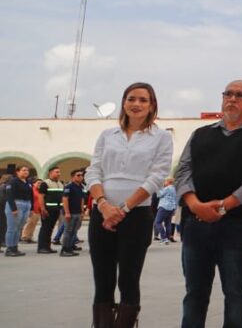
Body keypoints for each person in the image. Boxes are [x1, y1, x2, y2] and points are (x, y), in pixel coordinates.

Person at [174, 80, 242, 328]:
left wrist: (224, 206)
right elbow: (183, 170)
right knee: (195, 294)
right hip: (196, 225)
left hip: (235, 226)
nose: (232, 99)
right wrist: (194, 203)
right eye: (228, 94)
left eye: (240, 95)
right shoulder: (200, 134)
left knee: (235, 293)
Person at [84, 82, 174, 327]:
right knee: (102, 280)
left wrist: (122, 209)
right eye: (131, 98)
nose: (136, 104)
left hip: (136, 215)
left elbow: (156, 177)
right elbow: (93, 171)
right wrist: (103, 205)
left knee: (128, 280)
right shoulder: (107, 135)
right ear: (123, 102)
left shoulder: (162, 137)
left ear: (152, 105)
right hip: (101, 213)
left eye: (143, 100)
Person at [4, 166, 34, 256]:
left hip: (26, 204)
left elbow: (31, 196)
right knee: (12, 228)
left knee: (18, 228)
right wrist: (13, 208)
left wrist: (31, 208)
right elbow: (9, 195)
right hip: (16, 204)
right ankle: (9, 248)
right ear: (17, 172)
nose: (26, 172)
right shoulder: (13, 181)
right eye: (23, 170)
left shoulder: (28, 183)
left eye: (27, 170)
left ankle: (15, 247)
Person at [35, 166, 65, 253]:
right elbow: (41, 197)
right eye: (56, 172)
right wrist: (43, 209)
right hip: (48, 209)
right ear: (50, 173)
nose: (59, 174)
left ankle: (47, 247)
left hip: (56, 209)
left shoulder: (60, 183)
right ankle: (41, 247)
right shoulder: (45, 183)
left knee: (50, 228)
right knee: (45, 228)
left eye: (59, 172)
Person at [60, 169, 87, 256]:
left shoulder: (81, 187)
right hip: (70, 213)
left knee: (74, 231)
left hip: (78, 212)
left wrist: (82, 211)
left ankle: (70, 247)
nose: (80, 177)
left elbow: (82, 199)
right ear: (72, 177)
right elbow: (65, 199)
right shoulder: (69, 186)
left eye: (81, 175)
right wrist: (67, 212)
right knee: (68, 231)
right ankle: (64, 249)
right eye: (78, 175)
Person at [154, 178, 178, 243]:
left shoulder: (167, 188)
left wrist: (158, 188)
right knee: (168, 223)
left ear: (168, 182)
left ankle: (164, 237)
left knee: (157, 222)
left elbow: (159, 195)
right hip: (171, 207)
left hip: (164, 206)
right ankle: (167, 237)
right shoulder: (174, 189)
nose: (164, 183)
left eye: (165, 181)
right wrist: (175, 208)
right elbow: (176, 199)